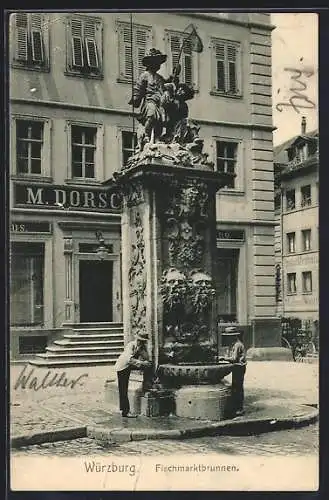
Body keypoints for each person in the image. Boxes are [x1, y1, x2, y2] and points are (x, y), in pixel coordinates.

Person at [128, 48, 170, 146]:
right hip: (150, 101)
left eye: (159, 62)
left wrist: (172, 78)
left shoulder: (160, 78)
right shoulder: (145, 75)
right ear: (150, 63)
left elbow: (166, 86)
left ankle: (157, 137)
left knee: (160, 120)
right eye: (155, 62)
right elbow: (139, 87)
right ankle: (146, 135)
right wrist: (135, 98)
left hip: (160, 102)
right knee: (151, 115)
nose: (158, 64)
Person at [114, 332, 152, 418]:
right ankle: (125, 411)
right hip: (122, 366)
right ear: (137, 339)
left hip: (130, 365)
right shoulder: (130, 345)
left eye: (143, 341)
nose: (140, 342)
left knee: (147, 367)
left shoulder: (142, 347)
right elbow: (129, 359)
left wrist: (146, 360)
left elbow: (147, 358)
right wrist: (142, 362)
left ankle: (147, 384)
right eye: (139, 340)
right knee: (123, 388)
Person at [220, 326, 247, 416]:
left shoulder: (237, 345)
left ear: (234, 336)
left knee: (238, 388)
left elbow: (234, 358)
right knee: (236, 387)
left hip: (239, 367)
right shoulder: (234, 344)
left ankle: (239, 408)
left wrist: (224, 358)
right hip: (237, 367)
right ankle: (237, 407)